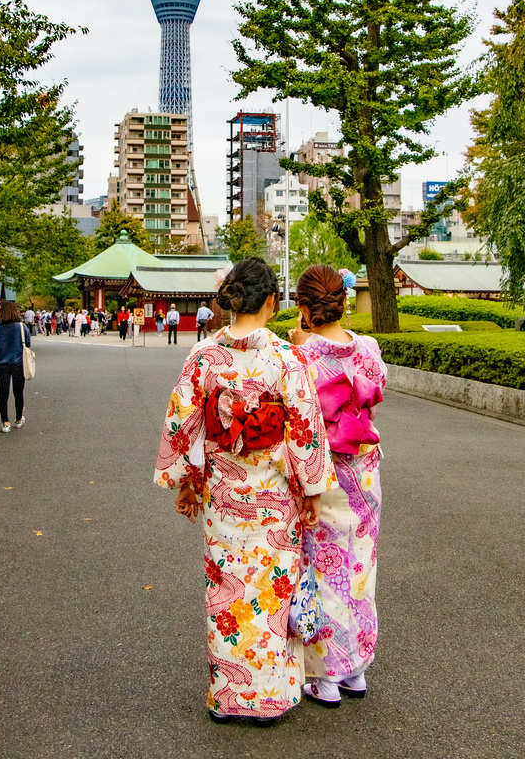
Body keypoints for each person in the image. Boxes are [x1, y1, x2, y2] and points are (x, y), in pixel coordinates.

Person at [155, 257, 336, 725]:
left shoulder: (204, 358)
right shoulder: (287, 360)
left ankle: (227, 697)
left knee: (226, 596)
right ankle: (268, 700)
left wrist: (185, 482)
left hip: (223, 497)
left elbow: (183, 425)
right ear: (272, 302)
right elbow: (304, 433)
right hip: (275, 501)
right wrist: (313, 493)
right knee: (271, 597)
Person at [289, 265, 386, 708]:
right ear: (344, 302)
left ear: (306, 309)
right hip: (364, 474)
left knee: (323, 570)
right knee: (359, 569)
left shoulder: (303, 357)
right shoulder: (368, 348)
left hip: (323, 474)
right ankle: (357, 669)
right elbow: (378, 387)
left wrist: (300, 344)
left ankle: (326, 676)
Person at [0, 300, 32, 433]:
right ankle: (19, 418)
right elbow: (28, 344)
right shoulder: (21, 327)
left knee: (3, 394)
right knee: (18, 392)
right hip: (18, 363)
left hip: (1, 364)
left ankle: (5, 422)